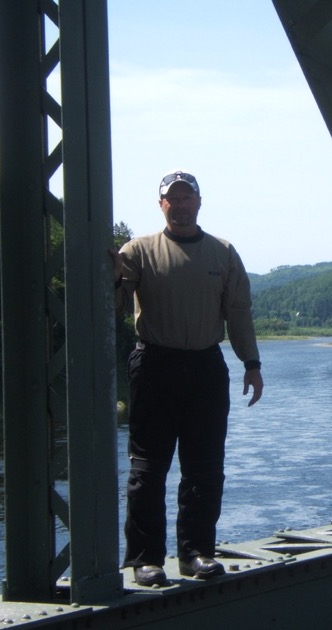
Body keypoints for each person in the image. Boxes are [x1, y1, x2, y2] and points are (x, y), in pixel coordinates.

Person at [110, 169, 263, 586]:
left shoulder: (223, 253)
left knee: (205, 469)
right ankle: (145, 559)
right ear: (161, 205)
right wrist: (109, 275)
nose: (179, 205)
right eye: (171, 199)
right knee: (147, 468)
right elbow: (117, 303)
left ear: (199, 202)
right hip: (154, 365)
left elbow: (239, 313)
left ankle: (196, 553)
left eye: (185, 198)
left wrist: (252, 363)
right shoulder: (138, 250)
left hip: (205, 368)